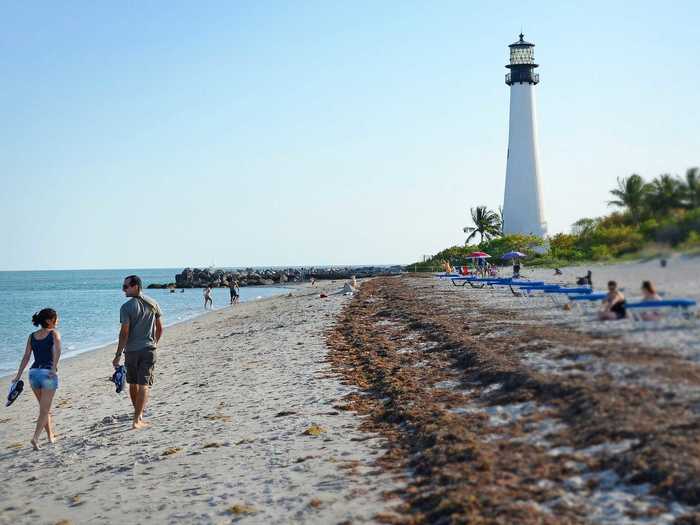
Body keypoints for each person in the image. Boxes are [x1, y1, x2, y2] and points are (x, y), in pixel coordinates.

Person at [112, 275, 163, 430]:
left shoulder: (126, 307)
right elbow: (160, 328)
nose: (123, 289)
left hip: (131, 351)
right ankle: (138, 417)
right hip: (148, 349)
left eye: (126, 286)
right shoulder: (153, 303)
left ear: (136, 286)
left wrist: (118, 354)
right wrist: (154, 343)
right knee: (143, 384)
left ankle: (137, 418)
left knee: (135, 384)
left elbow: (124, 333)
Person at [12, 308, 62, 450]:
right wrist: (54, 367)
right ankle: (35, 438)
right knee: (44, 410)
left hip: (33, 374)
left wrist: (18, 375)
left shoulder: (32, 336)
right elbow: (58, 350)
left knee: (43, 408)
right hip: (47, 374)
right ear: (48, 320)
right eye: (55, 318)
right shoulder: (54, 333)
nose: (57, 321)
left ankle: (50, 436)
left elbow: (26, 357)